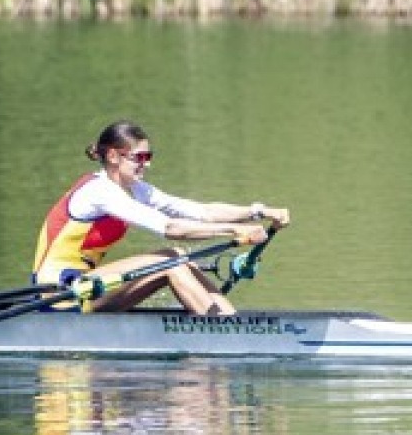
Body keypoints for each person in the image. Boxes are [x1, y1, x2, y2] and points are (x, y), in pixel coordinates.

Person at [31, 120, 290, 316]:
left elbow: (202, 212)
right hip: (59, 293)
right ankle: (220, 331)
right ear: (112, 156)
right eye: (139, 158)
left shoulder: (135, 189)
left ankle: (228, 320)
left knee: (177, 256)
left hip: (89, 287)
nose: (147, 164)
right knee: (170, 260)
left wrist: (259, 210)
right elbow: (170, 227)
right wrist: (234, 232)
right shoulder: (99, 192)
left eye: (149, 157)